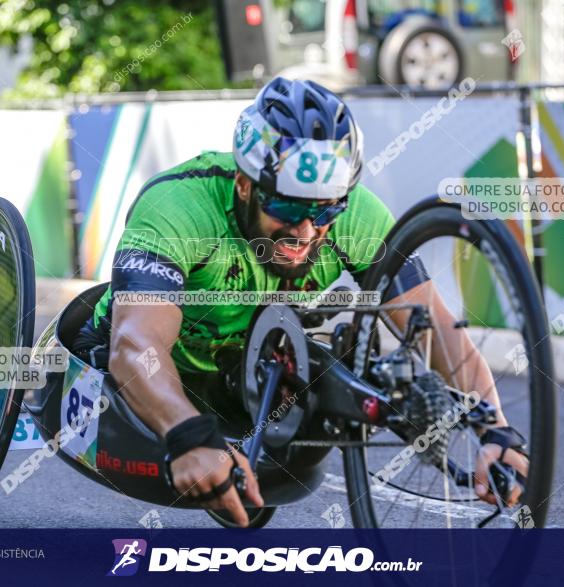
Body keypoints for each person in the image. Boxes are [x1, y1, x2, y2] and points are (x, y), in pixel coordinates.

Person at [73, 77, 528, 527]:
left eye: (326, 211)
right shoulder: (179, 206)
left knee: (340, 368)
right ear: (245, 184)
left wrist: (494, 427)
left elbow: (435, 329)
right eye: (288, 210)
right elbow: (135, 346)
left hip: (243, 369)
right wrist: (189, 435)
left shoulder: (360, 217)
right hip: (144, 372)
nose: (306, 232)